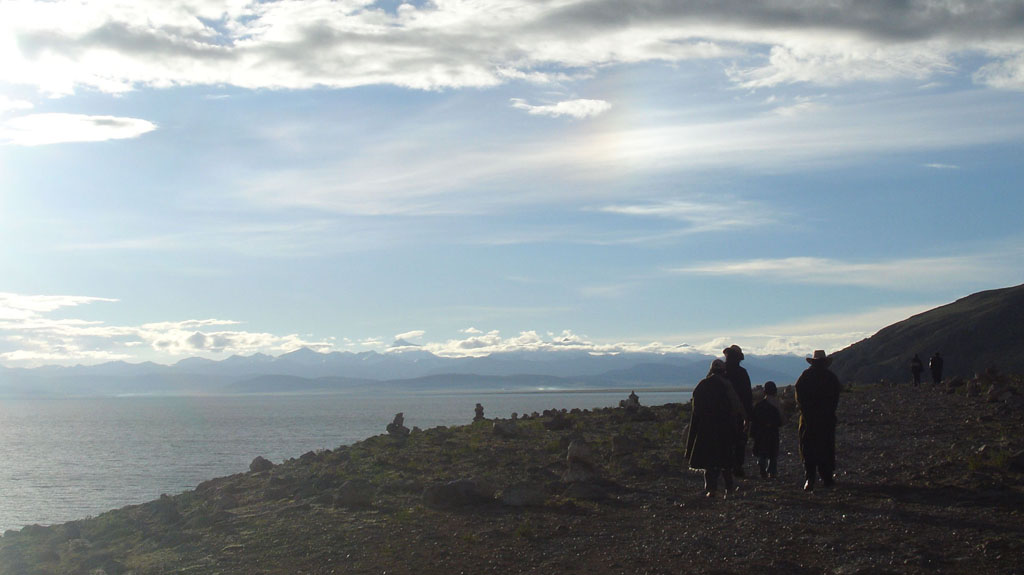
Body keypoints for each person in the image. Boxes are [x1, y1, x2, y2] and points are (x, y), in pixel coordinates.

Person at [685, 359, 745, 498]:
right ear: (723, 370)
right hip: (724, 427)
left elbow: (696, 409)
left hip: (706, 428)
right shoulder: (726, 385)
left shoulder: (702, 385)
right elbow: (736, 406)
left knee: (709, 459)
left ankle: (711, 489)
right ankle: (728, 489)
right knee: (726, 460)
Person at [794, 350, 842, 491]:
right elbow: (835, 398)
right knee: (826, 447)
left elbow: (799, 398)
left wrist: (805, 411)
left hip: (808, 419)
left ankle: (810, 478)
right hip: (826, 419)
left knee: (808, 448)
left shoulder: (805, 376)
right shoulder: (831, 377)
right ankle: (826, 477)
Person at [722, 345, 753, 477]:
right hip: (738, 414)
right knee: (739, 440)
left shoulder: (718, 373)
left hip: (720, 414)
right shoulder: (742, 373)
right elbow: (747, 396)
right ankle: (737, 466)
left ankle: (724, 466)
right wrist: (748, 416)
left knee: (723, 440)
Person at [751, 381, 783, 479]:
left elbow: (754, 420)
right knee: (773, 453)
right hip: (773, 431)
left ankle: (762, 467)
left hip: (761, 432)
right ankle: (772, 472)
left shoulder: (759, 405)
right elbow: (781, 420)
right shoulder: (777, 405)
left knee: (762, 451)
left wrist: (752, 433)